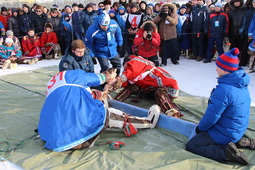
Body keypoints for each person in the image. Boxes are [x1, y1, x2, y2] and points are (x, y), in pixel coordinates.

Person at [38, 68, 160, 151]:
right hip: (75, 140)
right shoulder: (76, 76)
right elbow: (102, 78)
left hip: (49, 138)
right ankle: (148, 122)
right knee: (104, 114)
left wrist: (102, 92)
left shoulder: (54, 86)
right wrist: (110, 77)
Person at [186, 48, 254, 165]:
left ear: (225, 69)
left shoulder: (224, 90)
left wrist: (200, 129)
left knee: (192, 145)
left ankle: (225, 152)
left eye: (218, 66)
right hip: (238, 128)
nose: (216, 69)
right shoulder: (240, 82)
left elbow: (212, 116)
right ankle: (239, 141)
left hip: (227, 132)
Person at [110, 55, 181, 117]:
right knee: (132, 86)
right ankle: (114, 101)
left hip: (166, 90)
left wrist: (118, 79)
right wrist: (112, 86)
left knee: (160, 91)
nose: (125, 69)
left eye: (126, 66)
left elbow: (131, 72)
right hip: (149, 90)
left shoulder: (136, 62)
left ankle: (170, 110)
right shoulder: (137, 72)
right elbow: (127, 81)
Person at [85, 11, 123, 76]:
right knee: (105, 67)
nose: (105, 27)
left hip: (112, 48)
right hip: (101, 51)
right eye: (103, 25)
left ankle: (114, 80)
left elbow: (118, 34)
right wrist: (91, 55)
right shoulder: (92, 30)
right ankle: (104, 81)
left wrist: (120, 44)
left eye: (106, 25)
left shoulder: (113, 24)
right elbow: (87, 43)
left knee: (118, 65)